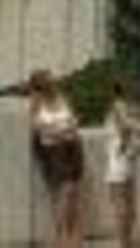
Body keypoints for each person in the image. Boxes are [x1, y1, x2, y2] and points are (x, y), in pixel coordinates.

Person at [27, 71, 86, 248]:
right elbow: (38, 129)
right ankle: (61, 238)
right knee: (64, 193)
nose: (54, 81)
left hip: (72, 147)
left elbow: (75, 122)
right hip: (52, 151)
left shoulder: (64, 98)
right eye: (49, 80)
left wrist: (63, 130)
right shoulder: (36, 103)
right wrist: (62, 130)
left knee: (73, 194)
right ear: (42, 85)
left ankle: (74, 238)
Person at [104, 80, 140, 248]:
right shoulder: (119, 107)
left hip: (120, 161)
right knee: (125, 206)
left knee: (126, 206)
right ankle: (125, 242)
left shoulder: (119, 108)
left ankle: (126, 241)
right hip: (120, 161)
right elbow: (128, 127)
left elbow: (128, 128)